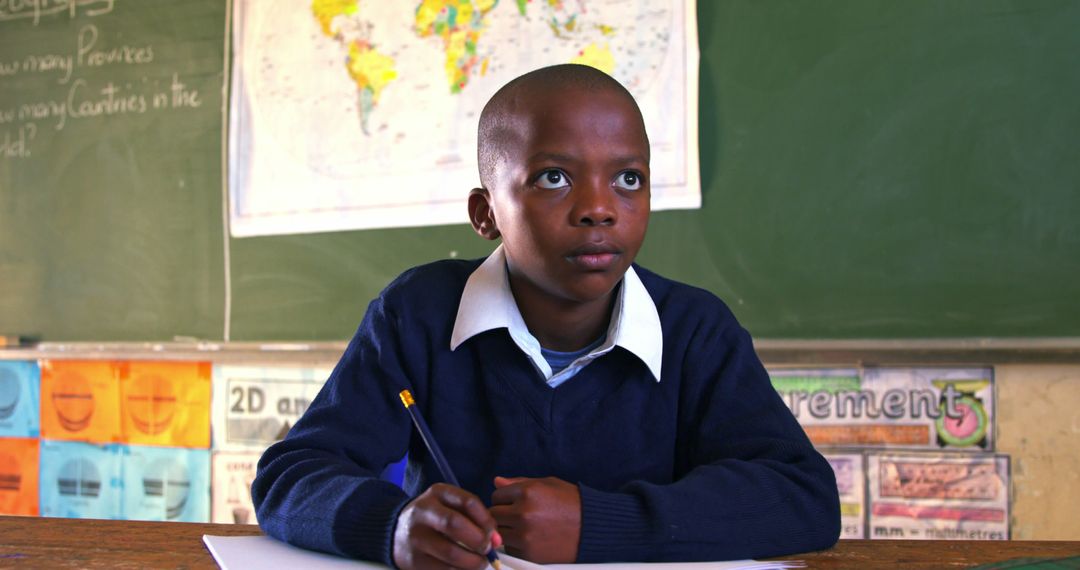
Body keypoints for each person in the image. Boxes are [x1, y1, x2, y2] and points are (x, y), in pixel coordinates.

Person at [252, 63, 841, 569]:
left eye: (628, 179)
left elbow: (803, 498)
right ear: (486, 214)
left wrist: (601, 523)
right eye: (553, 178)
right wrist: (394, 527)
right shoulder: (420, 314)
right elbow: (291, 477)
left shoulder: (694, 330)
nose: (598, 209)